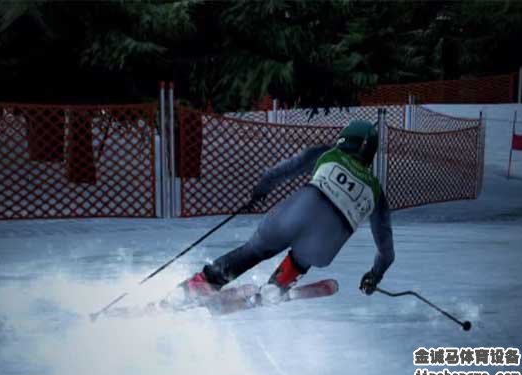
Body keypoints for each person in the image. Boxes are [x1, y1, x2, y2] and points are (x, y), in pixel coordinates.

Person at [163, 120, 395, 309]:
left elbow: (282, 171)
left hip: (295, 213)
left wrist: (260, 192)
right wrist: (374, 275)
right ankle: (277, 285)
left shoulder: (328, 153)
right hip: (325, 245)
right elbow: (386, 253)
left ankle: (201, 284)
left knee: (253, 250)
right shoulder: (376, 193)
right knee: (303, 258)